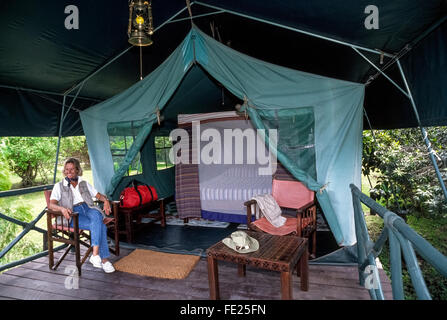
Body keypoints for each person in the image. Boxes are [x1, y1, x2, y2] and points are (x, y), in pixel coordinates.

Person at [49, 157, 115, 273]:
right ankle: (104, 260)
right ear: (64, 171)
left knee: (96, 215)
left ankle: (95, 255)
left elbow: (99, 196)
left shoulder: (83, 183)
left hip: (88, 207)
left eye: (72, 169)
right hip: (73, 213)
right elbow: (51, 204)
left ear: (77, 170)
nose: (69, 172)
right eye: (66, 169)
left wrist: (106, 201)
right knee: (101, 226)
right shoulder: (59, 186)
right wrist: (62, 209)